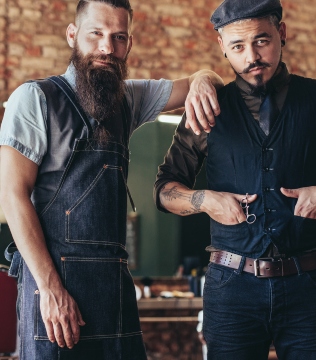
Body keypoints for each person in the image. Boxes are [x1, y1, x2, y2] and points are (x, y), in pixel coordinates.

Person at [0, 0, 224, 359]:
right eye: (96, 34)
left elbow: (209, 79)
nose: (107, 47)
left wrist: (201, 80)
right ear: (73, 35)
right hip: (54, 295)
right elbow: (12, 196)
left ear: (129, 44)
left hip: (114, 294)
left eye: (118, 37)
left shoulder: (128, 99)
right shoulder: (34, 98)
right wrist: (51, 289)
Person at [154, 0, 316, 359]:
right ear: (222, 47)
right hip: (230, 290)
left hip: (309, 286)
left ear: (281, 33)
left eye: (261, 41)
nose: (252, 56)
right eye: (237, 46)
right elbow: (164, 190)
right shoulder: (207, 107)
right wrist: (205, 200)